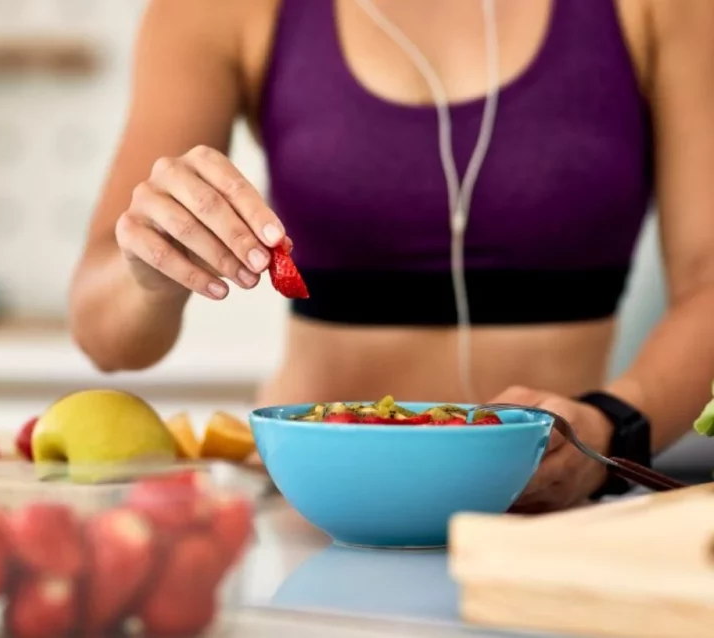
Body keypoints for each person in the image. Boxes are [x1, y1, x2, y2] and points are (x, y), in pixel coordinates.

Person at [68, 0, 714, 512]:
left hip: (551, 509)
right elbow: (109, 340)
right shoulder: (216, 8)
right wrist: (150, 272)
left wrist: (611, 427)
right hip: (313, 511)